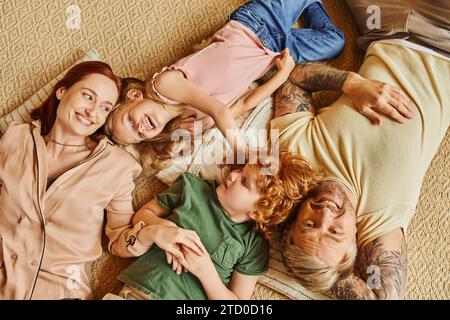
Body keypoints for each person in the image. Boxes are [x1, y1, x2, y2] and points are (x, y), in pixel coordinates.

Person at [269, 32, 449, 298]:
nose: (325, 214)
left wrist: (350, 83)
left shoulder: (295, 156)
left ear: (293, 222)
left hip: (386, 30)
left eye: (309, 225)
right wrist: (329, 275)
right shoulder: (379, 218)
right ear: (355, 238)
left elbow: (292, 77)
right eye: (334, 232)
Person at [105, 0, 346, 172]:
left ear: (135, 96)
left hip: (256, 26)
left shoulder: (162, 85)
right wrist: (281, 76)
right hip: (273, 55)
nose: (141, 127)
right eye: (139, 135)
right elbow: (243, 103)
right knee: (336, 42)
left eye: (130, 120)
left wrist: (243, 153)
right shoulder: (191, 126)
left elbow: (218, 110)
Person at [0, 61, 152, 300]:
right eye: (88, 97)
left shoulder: (118, 166)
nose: (93, 112)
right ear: (62, 91)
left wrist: (150, 236)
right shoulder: (15, 139)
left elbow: (119, 237)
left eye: (104, 107)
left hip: (62, 292)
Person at [105, 152, 322, 300]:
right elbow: (143, 214)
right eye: (241, 169)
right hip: (134, 293)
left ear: (257, 211)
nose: (233, 174)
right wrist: (164, 229)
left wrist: (206, 272)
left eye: (244, 182)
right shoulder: (192, 188)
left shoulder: (253, 245)